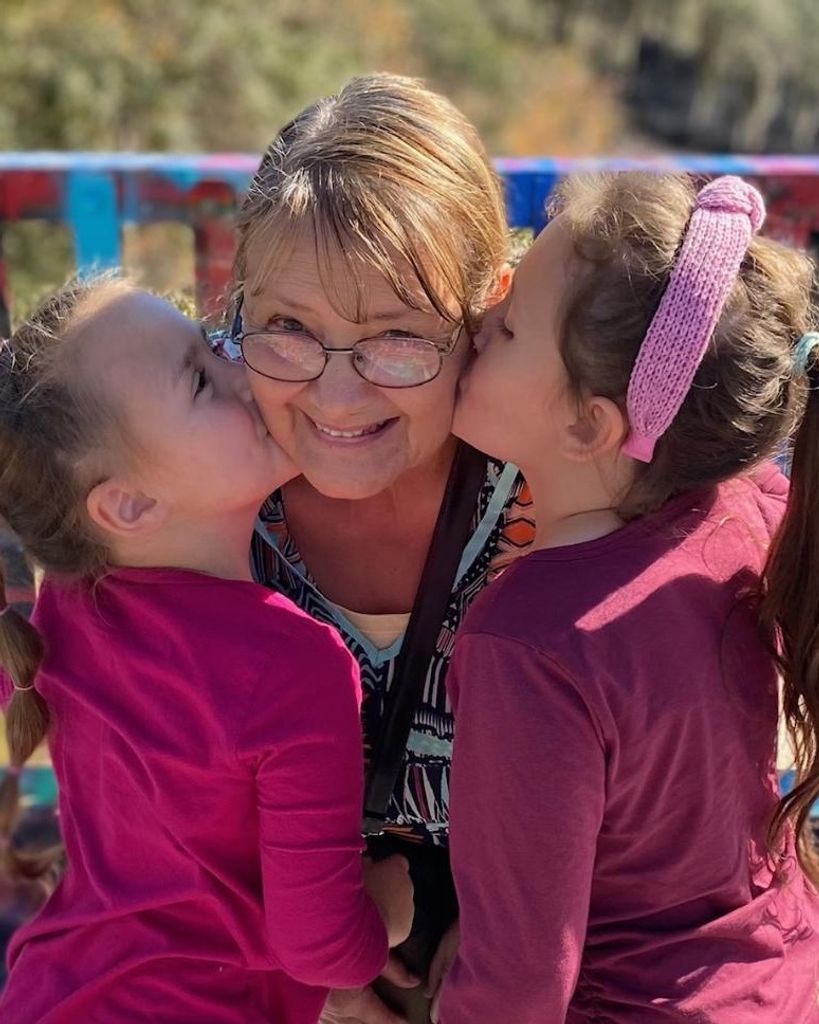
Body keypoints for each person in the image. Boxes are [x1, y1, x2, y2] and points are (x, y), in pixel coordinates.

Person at [440, 174, 819, 1022]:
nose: (474, 327)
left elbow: (518, 983)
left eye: (504, 329)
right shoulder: (742, 505)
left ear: (587, 427)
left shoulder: (532, 645)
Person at [0, 277, 413, 1023]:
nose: (240, 368)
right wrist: (384, 914)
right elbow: (317, 946)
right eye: (199, 376)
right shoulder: (294, 665)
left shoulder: (60, 607)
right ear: (128, 505)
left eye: (213, 341)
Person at [229, 72, 535, 1024]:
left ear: (487, 311)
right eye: (286, 326)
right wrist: (321, 972)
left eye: (398, 338)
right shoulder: (192, 464)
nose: (337, 396)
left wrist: (506, 938)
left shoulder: (559, 475)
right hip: (262, 951)